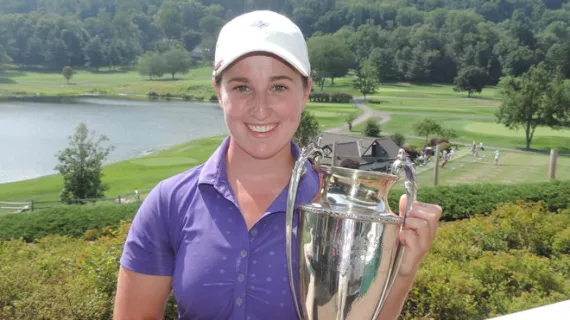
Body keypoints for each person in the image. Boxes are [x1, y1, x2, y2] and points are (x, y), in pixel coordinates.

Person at [113, 10, 442, 320]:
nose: (260, 109)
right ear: (218, 92)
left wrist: (402, 270)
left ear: (305, 91)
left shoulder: (344, 207)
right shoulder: (169, 202)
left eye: (279, 87)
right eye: (242, 87)